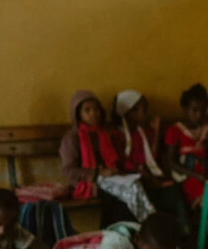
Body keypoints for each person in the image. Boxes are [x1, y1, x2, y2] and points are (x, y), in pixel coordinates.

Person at [60, 90, 155, 225]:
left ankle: (147, 226)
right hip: (88, 182)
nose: (93, 113)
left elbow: (115, 159)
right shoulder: (72, 138)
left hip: (110, 177)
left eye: (96, 109)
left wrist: (114, 170)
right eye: (87, 110)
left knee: (136, 185)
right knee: (121, 197)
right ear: (78, 115)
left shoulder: (104, 133)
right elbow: (69, 171)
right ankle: (124, 229)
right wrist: (98, 172)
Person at [113, 89, 190, 236]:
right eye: (143, 110)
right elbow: (122, 161)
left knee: (174, 189)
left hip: (150, 175)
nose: (147, 113)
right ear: (130, 112)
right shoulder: (119, 135)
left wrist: (156, 131)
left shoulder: (143, 131)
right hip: (135, 179)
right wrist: (139, 171)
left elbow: (152, 156)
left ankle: (183, 231)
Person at [165, 83, 208, 209]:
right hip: (186, 175)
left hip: (206, 172)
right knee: (204, 199)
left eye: (202, 111)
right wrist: (195, 175)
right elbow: (170, 162)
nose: (199, 115)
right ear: (184, 109)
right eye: (195, 110)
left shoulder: (207, 128)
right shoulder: (175, 130)